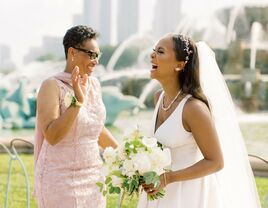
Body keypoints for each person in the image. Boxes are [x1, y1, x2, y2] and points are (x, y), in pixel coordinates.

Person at [137, 34, 261, 208]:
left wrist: (168, 178)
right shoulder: (158, 98)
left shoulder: (193, 108)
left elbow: (215, 162)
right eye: (153, 50)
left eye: (160, 51)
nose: (152, 55)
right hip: (159, 191)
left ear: (179, 65)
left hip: (189, 194)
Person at [33, 25, 118, 208]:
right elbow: (52, 136)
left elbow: (95, 128)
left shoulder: (94, 85)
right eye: (91, 54)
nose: (96, 61)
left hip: (93, 179)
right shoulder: (51, 86)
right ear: (72, 52)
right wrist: (77, 102)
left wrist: (127, 156)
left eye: (98, 55)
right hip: (59, 181)